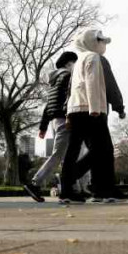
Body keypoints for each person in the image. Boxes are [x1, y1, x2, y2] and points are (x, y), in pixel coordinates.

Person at [59, 29, 128, 204]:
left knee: (73, 150)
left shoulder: (78, 60)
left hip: (75, 110)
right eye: (101, 41)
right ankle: (102, 189)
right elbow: (93, 82)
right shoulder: (94, 57)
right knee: (103, 150)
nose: (103, 45)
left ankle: (66, 190)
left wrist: (67, 113)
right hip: (91, 110)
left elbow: (71, 90)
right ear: (93, 42)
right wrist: (96, 108)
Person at [24, 51, 84, 203]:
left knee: (66, 157)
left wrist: (43, 126)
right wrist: (70, 116)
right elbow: (70, 99)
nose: (76, 66)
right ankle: (35, 183)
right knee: (60, 154)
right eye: (74, 63)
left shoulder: (54, 81)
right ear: (68, 63)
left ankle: (71, 189)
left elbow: (48, 105)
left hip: (55, 121)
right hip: (65, 119)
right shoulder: (68, 77)